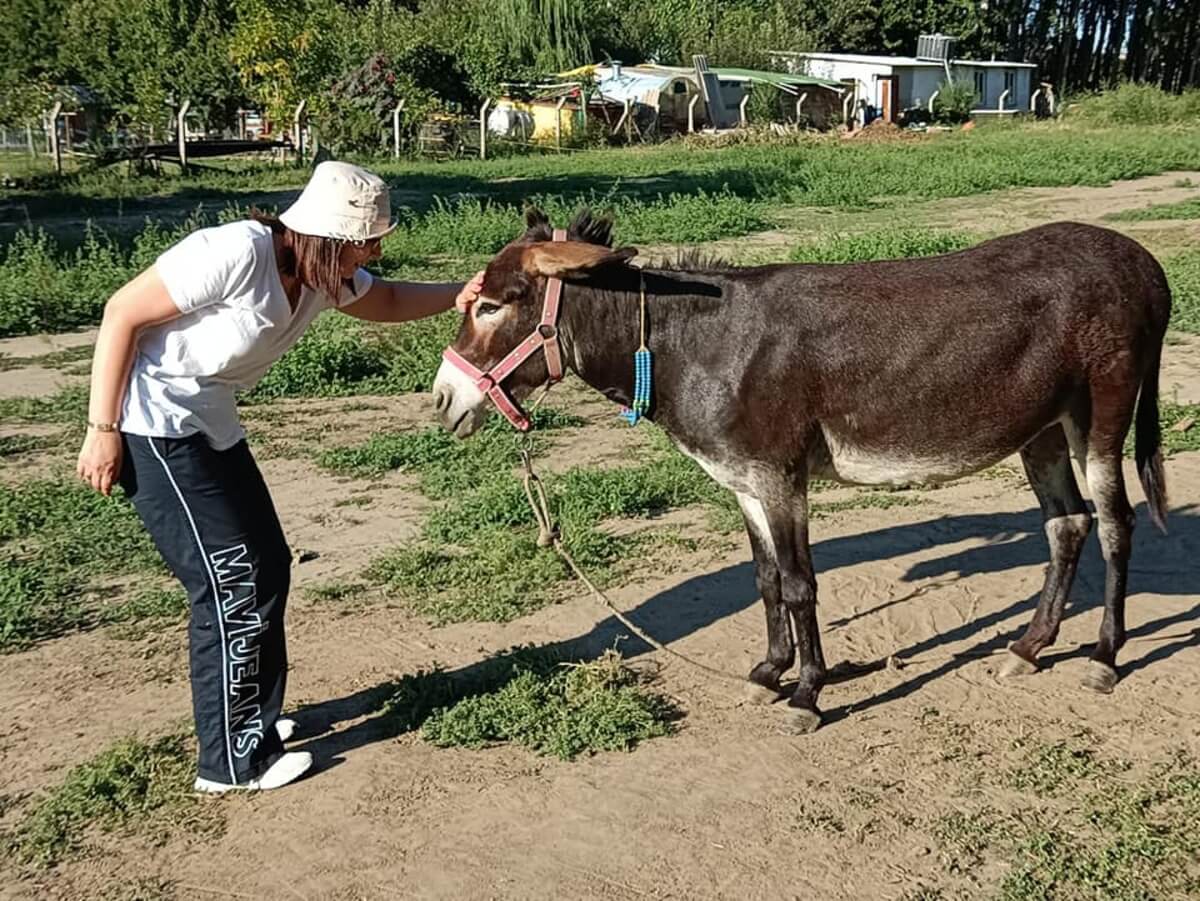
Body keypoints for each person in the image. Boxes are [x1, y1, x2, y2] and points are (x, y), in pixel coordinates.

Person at [76, 160, 484, 792]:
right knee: (230, 583)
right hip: (152, 426)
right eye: (366, 242)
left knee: (266, 564)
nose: (373, 252)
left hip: (210, 425)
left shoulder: (325, 275)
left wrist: (459, 293)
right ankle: (232, 761)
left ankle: (253, 722)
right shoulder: (233, 252)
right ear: (328, 236)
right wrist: (102, 431)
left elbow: (391, 299)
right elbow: (121, 313)